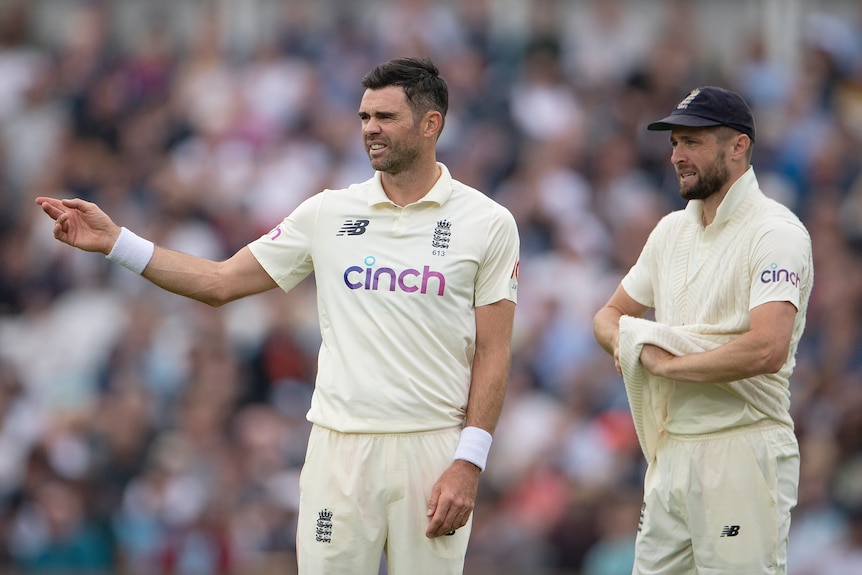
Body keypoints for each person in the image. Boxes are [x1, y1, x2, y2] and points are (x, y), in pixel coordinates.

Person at [36, 57, 520, 575]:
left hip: (432, 447)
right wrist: (117, 242)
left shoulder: (487, 223)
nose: (371, 129)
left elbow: (494, 351)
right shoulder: (328, 213)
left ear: (431, 124)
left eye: (386, 117)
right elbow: (220, 283)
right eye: (363, 117)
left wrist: (469, 462)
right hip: (339, 448)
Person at [593, 86, 813, 574]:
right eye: (674, 143)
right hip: (672, 454)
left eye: (691, 142)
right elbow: (607, 318)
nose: (676, 156)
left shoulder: (776, 233)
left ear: (738, 146)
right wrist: (641, 348)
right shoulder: (671, 231)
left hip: (742, 449)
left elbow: (767, 348)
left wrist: (666, 361)